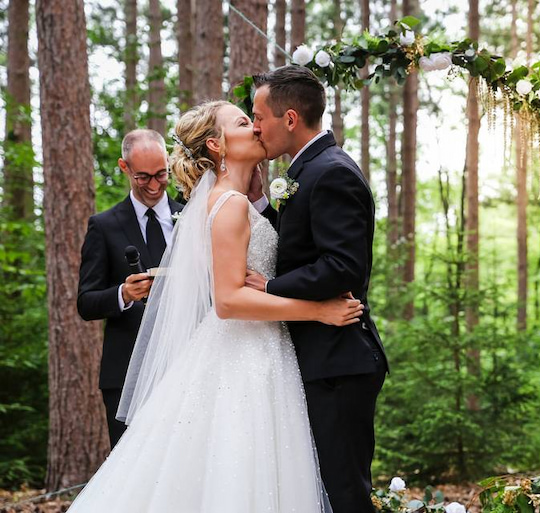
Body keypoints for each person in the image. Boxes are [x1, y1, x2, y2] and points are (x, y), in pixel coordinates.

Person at [67, 101, 363, 512]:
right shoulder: (229, 206)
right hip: (244, 356)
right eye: (244, 123)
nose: (257, 128)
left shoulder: (235, 200)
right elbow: (227, 301)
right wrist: (317, 310)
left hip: (261, 349)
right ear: (216, 144)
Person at [249, 65, 388, 513]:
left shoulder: (331, 172)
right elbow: (302, 244)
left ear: (289, 119)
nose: (254, 126)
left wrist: (270, 287)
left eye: (259, 116)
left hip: (338, 362)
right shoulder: (307, 170)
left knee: (344, 492)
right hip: (318, 357)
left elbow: (342, 266)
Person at [77, 129, 183, 448]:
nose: (154, 185)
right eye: (143, 177)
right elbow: (86, 302)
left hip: (185, 365)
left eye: (161, 174)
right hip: (126, 375)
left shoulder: (190, 218)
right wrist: (123, 294)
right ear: (124, 168)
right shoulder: (104, 225)